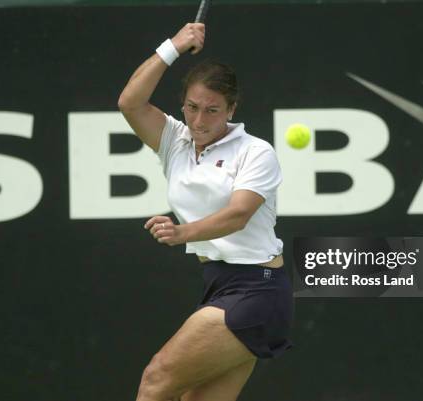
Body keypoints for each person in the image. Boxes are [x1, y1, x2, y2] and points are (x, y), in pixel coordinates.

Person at [118, 21, 293, 401]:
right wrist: (174, 46)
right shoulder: (175, 141)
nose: (199, 122)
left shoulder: (255, 152)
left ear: (231, 109)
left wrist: (182, 232)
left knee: (155, 381)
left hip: (256, 290)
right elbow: (129, 103)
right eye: (192, 108)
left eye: (212, 111)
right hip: (218, 285)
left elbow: (238, 215)